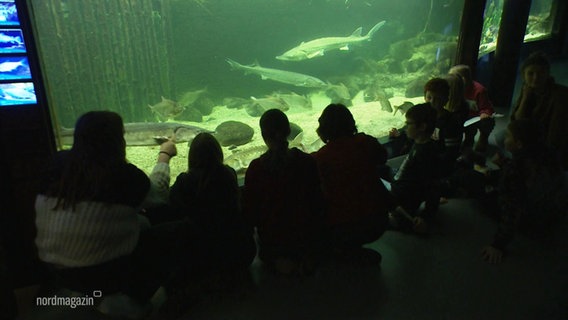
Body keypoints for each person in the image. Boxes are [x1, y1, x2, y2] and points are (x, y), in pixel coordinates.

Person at [34, 111, 193, 318]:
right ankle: (127, 301)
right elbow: (159, 195)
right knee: (180, 229)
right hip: (102, 273)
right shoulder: (122, 174)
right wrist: (164, 156)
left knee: (140, 221)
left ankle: (85, 297)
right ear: (116, 141)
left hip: (53, 271)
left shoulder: (55, 163)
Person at [243, 109, 325, 275]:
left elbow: (250, 214)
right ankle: (305, 256)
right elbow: (318, 203)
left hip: (273, 242)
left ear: (263, 135)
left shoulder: (256, 168)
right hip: (307, 237)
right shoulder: (307, 162)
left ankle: (282, 260)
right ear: (288, 131)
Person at [312, 103, 391, 263]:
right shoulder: (366, 142)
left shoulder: (320, 158)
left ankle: (344, 252)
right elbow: (383, 158)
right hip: (378, 221)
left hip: (342, 227)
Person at [481, 119, 567, 264]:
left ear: (519, 144)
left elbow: (512, 209)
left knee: (480, 189)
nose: (505, 138)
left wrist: (498, 245)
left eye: (508, 136)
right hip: (552, 208)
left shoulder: (515, 170)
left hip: (530, 217)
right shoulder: (546, 153)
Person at [169, 132, 256, 275]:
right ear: (218, 153)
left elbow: (171, 205)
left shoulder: (184, 181)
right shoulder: (229, 173)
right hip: (241, 255)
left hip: (201, 262)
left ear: (192, 157)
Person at [388, 103, 442, 233]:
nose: (405, 127)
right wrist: (398, 136)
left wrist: (427, 216)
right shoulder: (419, 142)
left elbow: (433, 186)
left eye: (408, 124)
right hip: (399, 184)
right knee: (381, 169)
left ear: (422, 127)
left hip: (402, 199)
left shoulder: (427, 154)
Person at [510, 51, 568, 170]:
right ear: (523, 76)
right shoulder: (527, 89)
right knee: (503, 138)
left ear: (547, 74)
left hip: (549, 143)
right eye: (530, 73)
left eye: (540, 73)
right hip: (533, 138)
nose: (535, 78)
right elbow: (516, 121)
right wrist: (525, 98)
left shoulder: (561, 96)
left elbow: (556, 134)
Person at [449, 64, 495, 152]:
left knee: (487, 121)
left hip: (473, 117)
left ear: (463, 79)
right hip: (459, 115)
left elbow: (486, 107)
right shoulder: (453, 88)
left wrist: (484, 113)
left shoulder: (479, 90)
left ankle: (482, 138)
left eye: (452, 77)